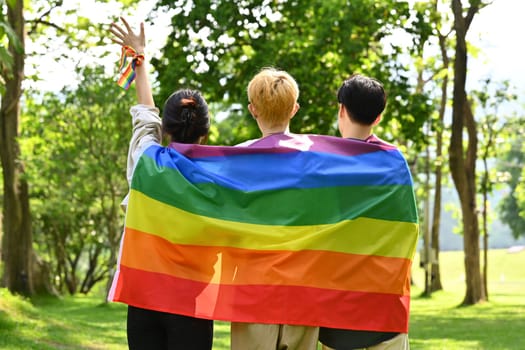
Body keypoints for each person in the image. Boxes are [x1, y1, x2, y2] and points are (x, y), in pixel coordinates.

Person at [108, 17, 213, 350]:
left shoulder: (145, 162)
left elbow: (144, 115)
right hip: (192, 302)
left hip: (143, 298)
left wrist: (141, 59)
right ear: (205, 133)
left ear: (165, 130)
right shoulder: (216, 179)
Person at [230, 67, 320, 350]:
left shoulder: (236, 159)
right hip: (305, 286)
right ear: (294, 109)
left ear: (252, 109)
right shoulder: (318, 158)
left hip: (251, 286)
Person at [318, 73, 410, 350]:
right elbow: (406, 229)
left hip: (337, 311)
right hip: (387, 311)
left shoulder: (323, 164)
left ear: (341, 110)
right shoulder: (395, 162)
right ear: (378, 117)